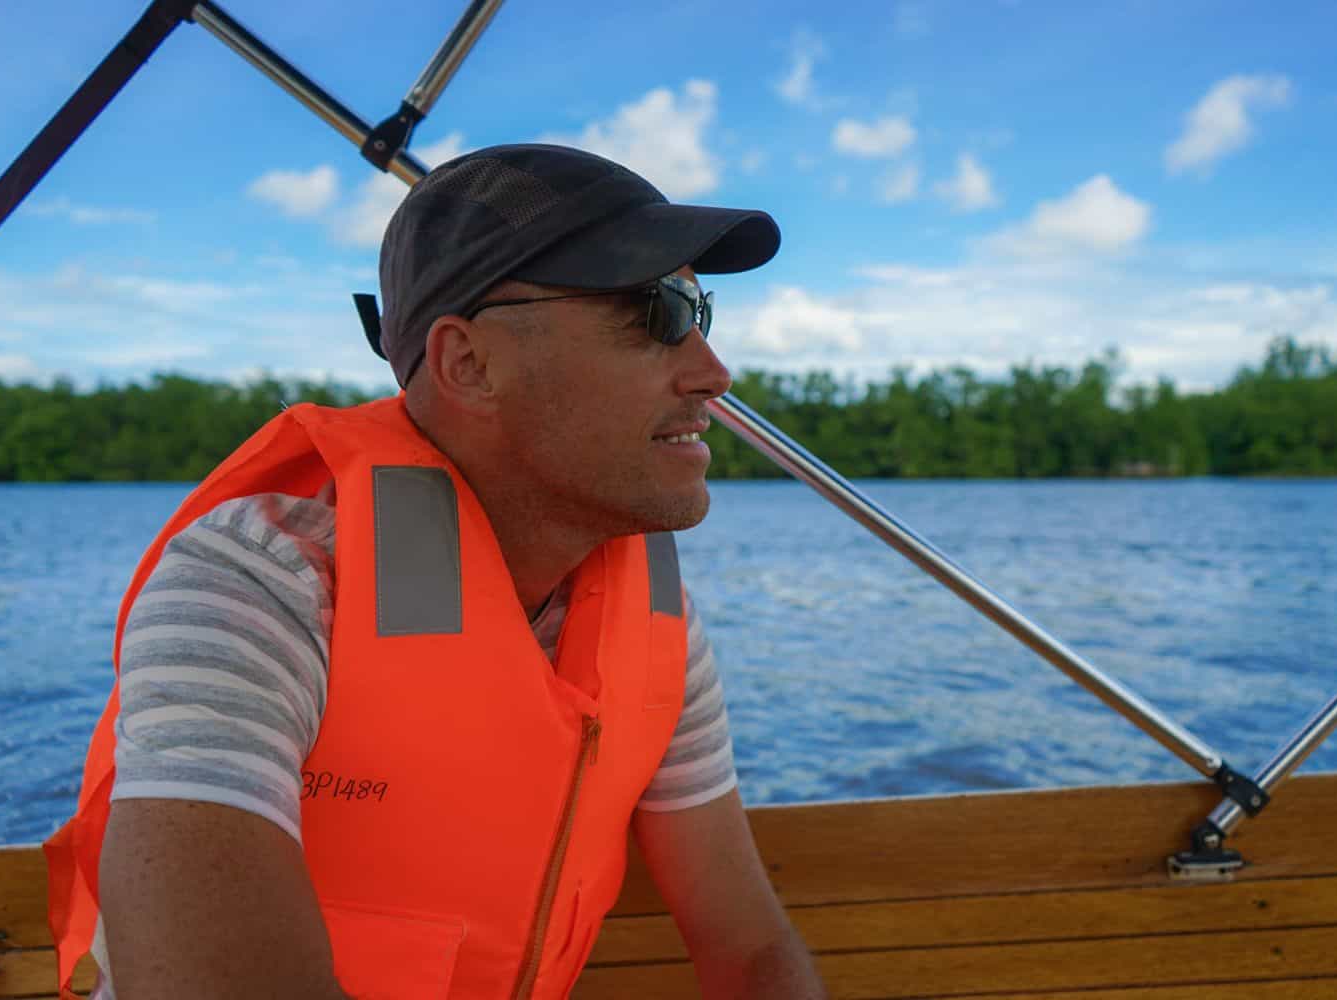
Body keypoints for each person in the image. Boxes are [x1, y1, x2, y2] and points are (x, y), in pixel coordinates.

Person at [44, 144, 826, 999]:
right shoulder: (262, 584)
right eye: (656, 313)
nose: (713, 374)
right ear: (469, 364)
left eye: (699, 312)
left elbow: (750, 953)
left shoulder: (660, 632)